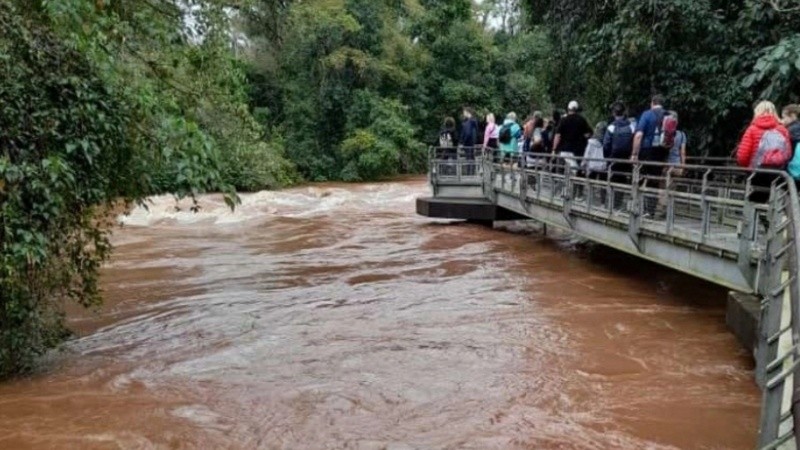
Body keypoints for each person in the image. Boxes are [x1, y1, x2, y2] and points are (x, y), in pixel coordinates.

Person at [736, 100, 792, 205]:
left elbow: (743, 156)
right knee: (773, 199)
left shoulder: (752, 129)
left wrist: (747, 167)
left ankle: (756, 218)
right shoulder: (783, 130)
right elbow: (787, 153)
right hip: (777, 173)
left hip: (756, 173)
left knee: (755, 200)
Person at [632, 94, 670, 217]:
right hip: (662, 151)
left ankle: (638, 207)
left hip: (647, 150)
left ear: (652, 103)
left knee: (640, 178)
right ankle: (650, 211)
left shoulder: (647, 114)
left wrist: (634, 154)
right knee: (654, 180)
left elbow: (638, 136)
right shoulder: (668, 115)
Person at [554, 101, 592, 199]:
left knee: (563, 172)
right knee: (576, 173)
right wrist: (582, 137)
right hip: (577, 151)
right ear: (577, 109)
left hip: (564, 151)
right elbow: (589, 133)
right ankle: (576, 195)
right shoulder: (582, 120)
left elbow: (558, 135)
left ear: (568, 109)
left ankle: (563, 193)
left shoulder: (563, 120)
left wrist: (554, 149)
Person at [604, 101, 636, 210]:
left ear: (614, 113)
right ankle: (618, 204)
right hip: (626, 159)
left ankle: (612, 205)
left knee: (613, 180)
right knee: (622, 180)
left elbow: (606, 145)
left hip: (613, 159)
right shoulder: (631, 126)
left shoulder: (611, 127)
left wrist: (607, 158)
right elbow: (634, 141)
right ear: (624, 112)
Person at [582, 121, 608, 205]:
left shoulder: (591, 142)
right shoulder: (606, 142)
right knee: (603, 185)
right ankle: (603, 203)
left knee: (590, 184)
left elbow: (587, 154)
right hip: (602, 166)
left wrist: (583, 164)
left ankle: (589, 201)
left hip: (592, 166)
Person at [460, 108, 479, 175]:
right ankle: (472, 172)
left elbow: (467, 133)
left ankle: (469, 173)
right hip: (472, 142)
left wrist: (463, 142)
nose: (463, 114)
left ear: (467, 112)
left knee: (468, 158)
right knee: (472, 158)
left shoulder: (469, 122)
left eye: (464, 112)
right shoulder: (474, 121)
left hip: (468, 143)